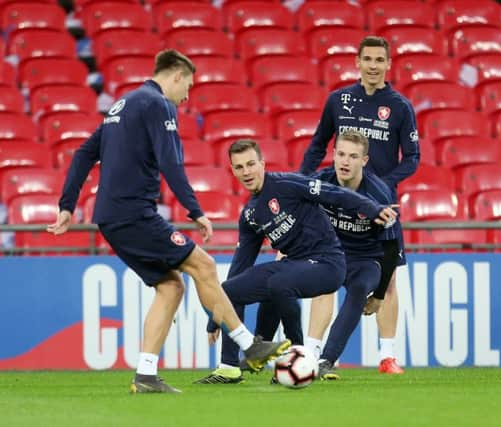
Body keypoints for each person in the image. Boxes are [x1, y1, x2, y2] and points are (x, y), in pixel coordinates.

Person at [46, 49, 291, 394]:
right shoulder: (158, 104)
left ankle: (145, 375)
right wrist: (195, 211)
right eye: (188, 85)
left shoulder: (123, 105)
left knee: (171, 286)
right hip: (133, 212)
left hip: (112, 217)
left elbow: (85, 153)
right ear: (176, 75)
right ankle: (250, 346)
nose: (187, 95)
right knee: (204, 265)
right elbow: (170, 163)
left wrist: (67, 204)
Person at [257, 35, 420, 374]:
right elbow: (317, 146)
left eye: (380, 60)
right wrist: (299, 188)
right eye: (368, 59)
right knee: (324, 272)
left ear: (389, 65)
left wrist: (384, 186)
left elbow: (413, 157)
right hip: (332, 200)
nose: (374, 66)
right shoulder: (339, 100)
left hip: (378, 206)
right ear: (357, 62)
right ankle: (314, 353)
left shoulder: (401, 107)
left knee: (387, 281)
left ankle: (387, 355)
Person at [195, 139, 397, 384]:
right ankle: (228, 368)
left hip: (328, 263)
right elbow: (240, 267)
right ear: (232, 171)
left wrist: (373, 208)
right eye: (239, 167)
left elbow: (334, 193)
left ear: (262, 164)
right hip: (294, 264)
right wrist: (216, 316)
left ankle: (299, 356)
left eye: (250, 164)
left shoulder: (287, 184)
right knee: (229, 290)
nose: (246, 172)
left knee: (279, 283)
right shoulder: (250, 216)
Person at [305, 130, 400, 380]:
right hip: (332, 253)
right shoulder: (319, 183)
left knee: (358, 290)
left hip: (367, 259)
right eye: (341, 154)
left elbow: (391, 248)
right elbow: (299, 213)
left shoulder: (379, 194)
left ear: (364, 161)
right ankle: (310, 354)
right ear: (333, 155)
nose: (345, 161)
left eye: (353, 156)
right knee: (322, 284)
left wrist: (378, 295)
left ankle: (328, 359)